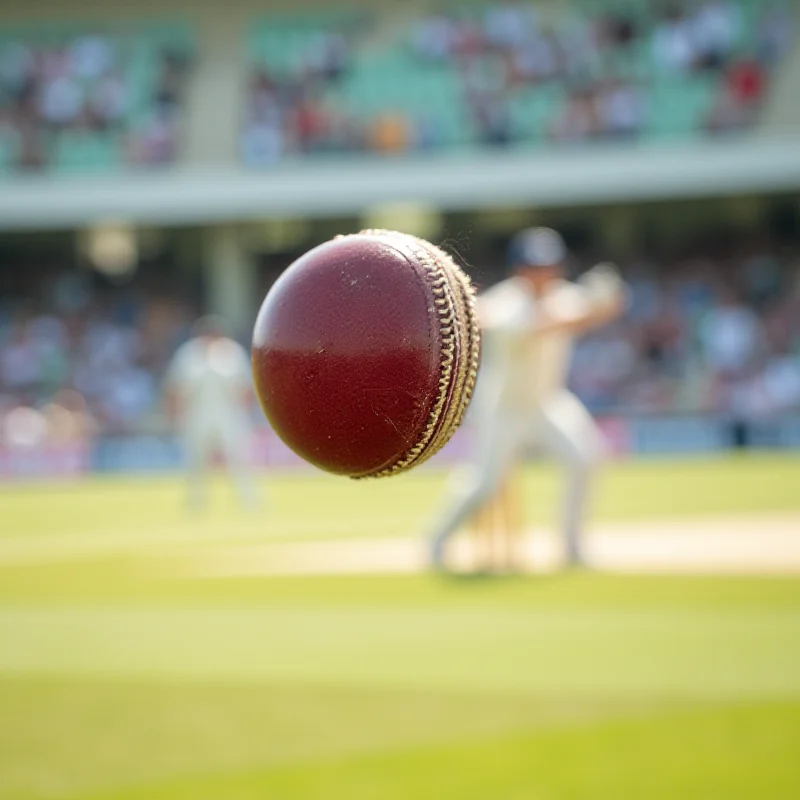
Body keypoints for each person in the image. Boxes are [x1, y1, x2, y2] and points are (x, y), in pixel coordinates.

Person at [429, 227, 627, 570]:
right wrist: (593, 308)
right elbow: (544, 325)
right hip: (503, 409)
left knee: (584, 459)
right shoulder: (506, 302)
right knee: (485, 484)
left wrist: (610, 299)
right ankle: (437, 538)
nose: (544, 273)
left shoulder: (564, 295)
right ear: (519, 268)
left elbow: (599, 309)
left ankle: (572, 548)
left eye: (550, 265)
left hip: (547, 403)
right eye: (536, 266)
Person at [165, 315, 258, 510]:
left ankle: (248, 503)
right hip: (197, 416)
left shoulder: (231, 353)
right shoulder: (188, 354)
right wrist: (175, 417)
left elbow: (245, 389)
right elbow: (175, 388)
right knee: (195, 463)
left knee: (239, 460)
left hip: (229, 416)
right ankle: (195, 505)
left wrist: (247, 414)